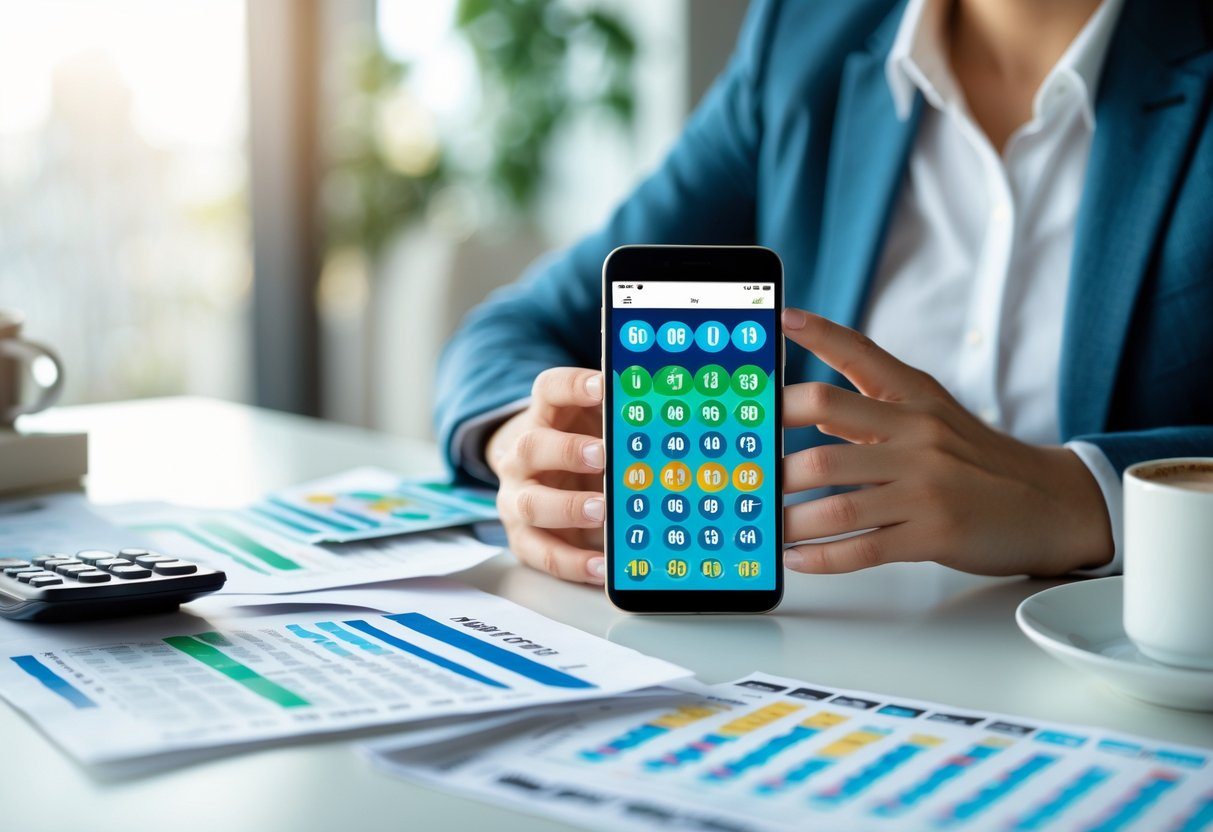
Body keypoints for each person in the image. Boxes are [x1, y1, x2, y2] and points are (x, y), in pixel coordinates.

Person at [435, 0, 1213, 586]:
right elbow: (516, 325)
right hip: (821, 657)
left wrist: (1076, 496)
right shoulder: (806, 39)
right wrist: (528, 441)